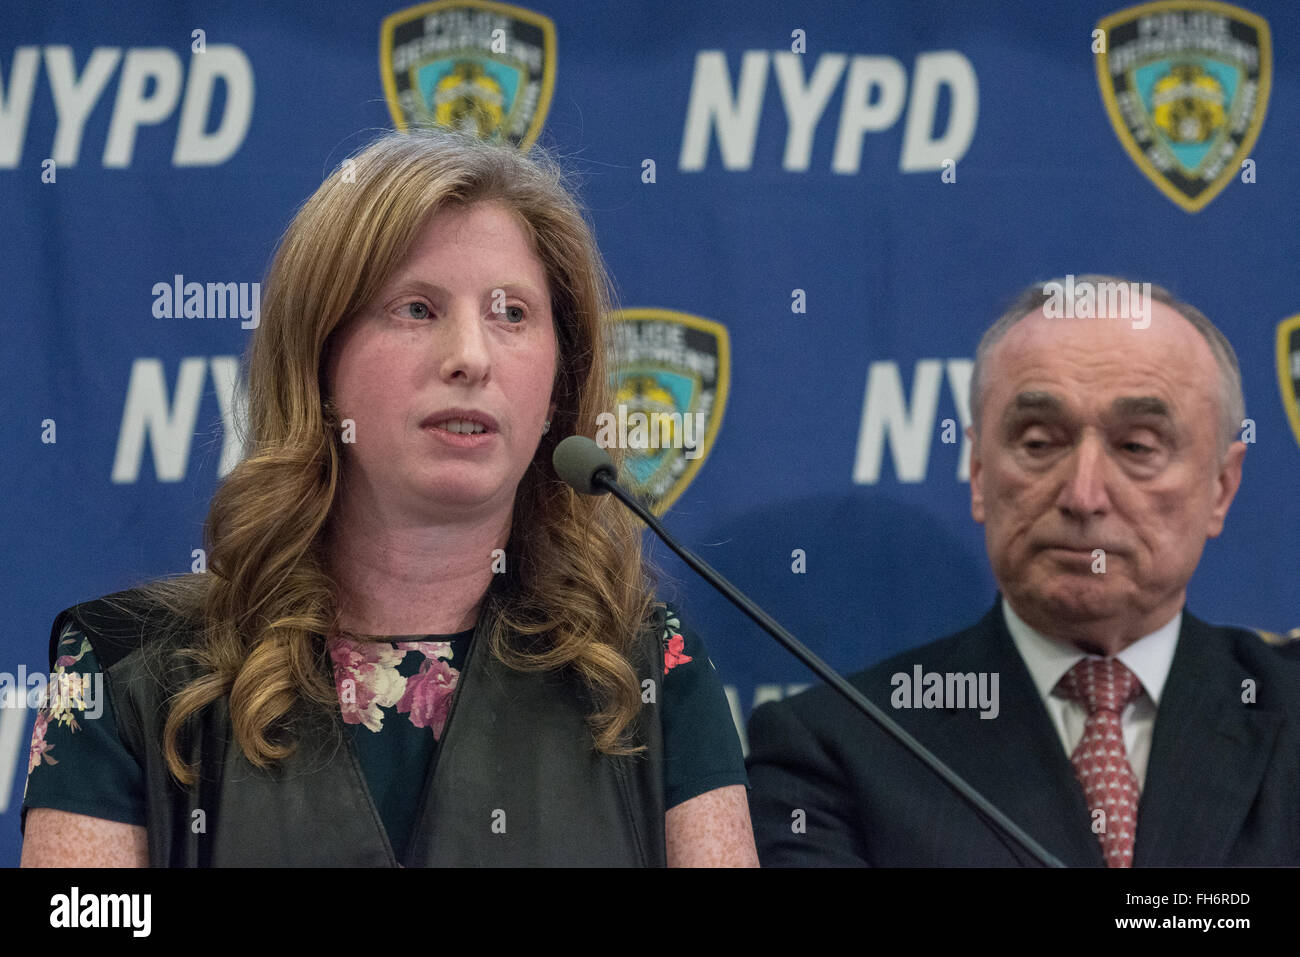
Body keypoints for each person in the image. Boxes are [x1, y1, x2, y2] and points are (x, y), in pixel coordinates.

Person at [20, 127, 757, 867]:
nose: (470, 357)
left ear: (561, 379)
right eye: (416, 309)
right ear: (317, 358)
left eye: (511, 313)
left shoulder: (646, 672)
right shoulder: (125, 669)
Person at [747, 276, 1300, 866]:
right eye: (1039, 443)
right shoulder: (835, 749)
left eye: (1137, 447)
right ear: (979, 471)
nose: (1083, 497)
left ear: (1222, 486)